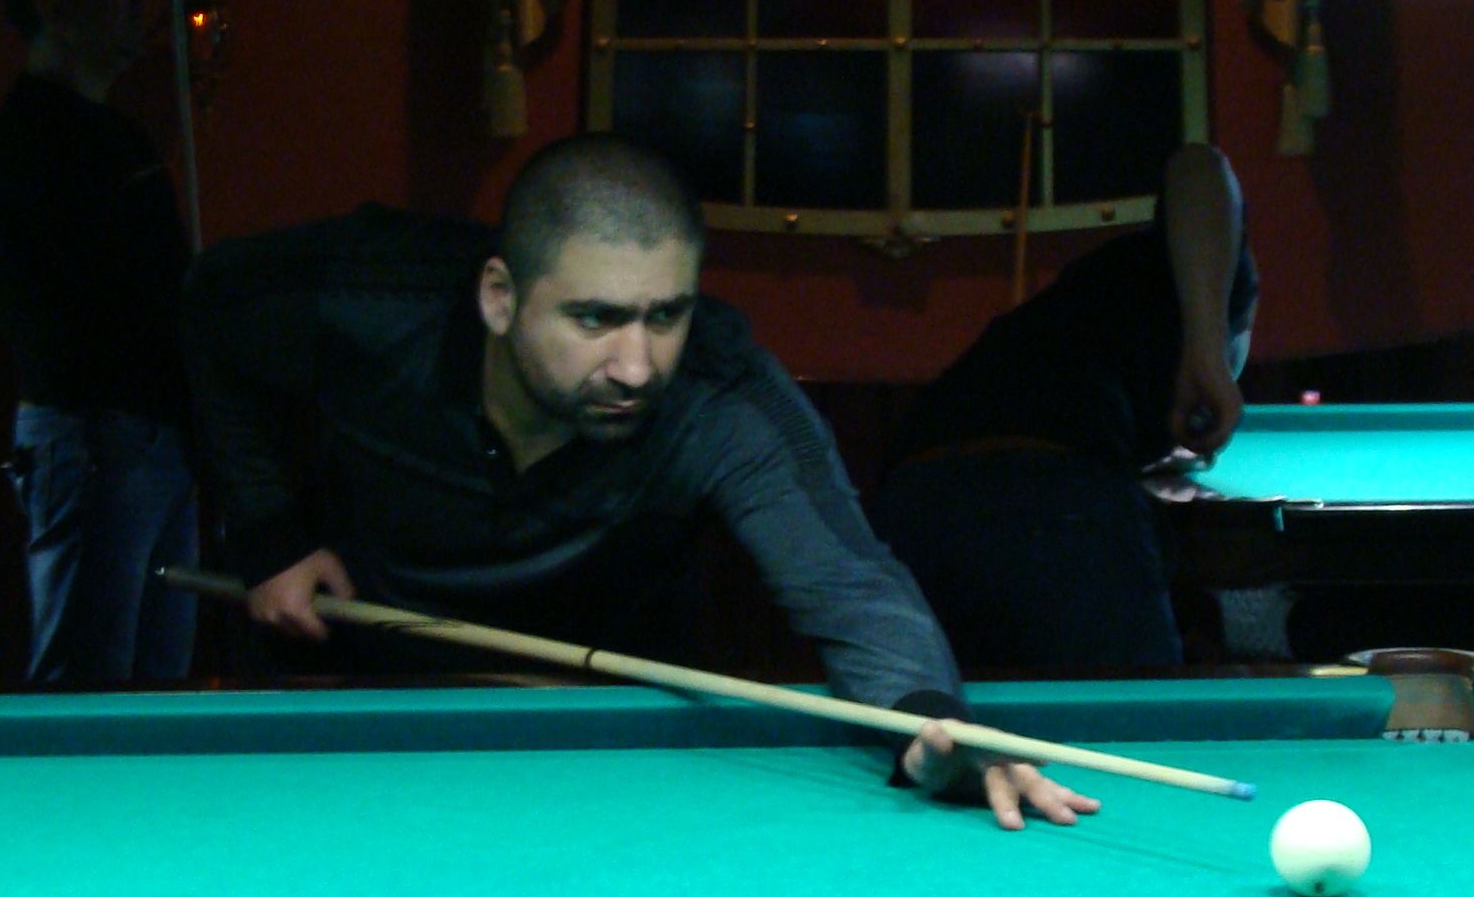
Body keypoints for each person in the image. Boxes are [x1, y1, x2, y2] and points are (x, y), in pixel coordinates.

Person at [181, 133, 1092, 831]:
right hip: (361, 690)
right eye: (596, 318)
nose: (637, 365)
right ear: (500, 297)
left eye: (666, 315)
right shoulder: (369, 296)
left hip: (610, 732)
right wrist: (268, 531)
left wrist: (932, 721)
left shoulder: (722, 395)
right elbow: (207, 305)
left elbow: (851, 584)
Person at [872, 142, 1259, 671]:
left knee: (968, 716)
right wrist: (1210, 353)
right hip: (1052, 503)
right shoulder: (1215, 272)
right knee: (1138, 714)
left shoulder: (1090, 300)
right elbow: (1200, 165)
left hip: (911, 502)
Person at [0, 0, 199, 684]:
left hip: (147, 433)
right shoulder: (34, 136)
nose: (137, 4)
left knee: (157, 681)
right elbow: (103, 300)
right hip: (94, 435)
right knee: (87, 682)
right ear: (55, 11)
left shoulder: (117, 135)